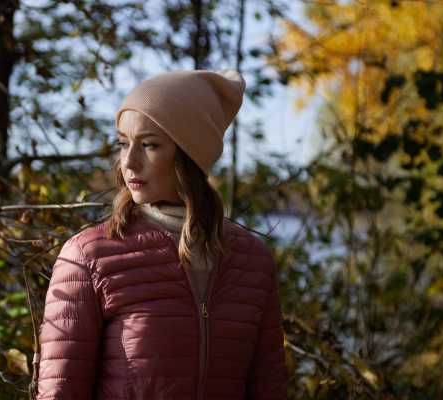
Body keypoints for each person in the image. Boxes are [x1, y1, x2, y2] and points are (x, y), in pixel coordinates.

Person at [34, 69, 287, 400]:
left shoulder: (252, 262)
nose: (129, 162)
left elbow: (269, 388)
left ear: (190, 155)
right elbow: (60, 392)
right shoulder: (89, 256)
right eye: (123, 144)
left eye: (149, 145)